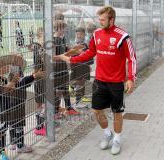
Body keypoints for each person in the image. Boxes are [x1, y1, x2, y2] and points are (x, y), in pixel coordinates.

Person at [54, 6, 137, 155]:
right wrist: (73, 59)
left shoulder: (123, 36)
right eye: (99, 19)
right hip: (99, 81)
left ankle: (117, 138)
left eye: (103, 20)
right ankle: (107, 134)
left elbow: (131, 58)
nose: (100, 22)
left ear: (112, 20)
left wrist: (130, 78)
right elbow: (90, 53)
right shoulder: (97, 34)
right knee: (96, 111)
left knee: (117, 112)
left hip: (116, 83)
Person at [53, 20, 80, 116]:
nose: (65, 30)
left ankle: (68, 108)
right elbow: (55, 57)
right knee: (58, 91)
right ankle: (56, 111)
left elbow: (66, 51)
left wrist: (75, 51)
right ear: (59, 28)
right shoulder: (54, 40)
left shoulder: (61, 39)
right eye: (63, 28)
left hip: (64, 69)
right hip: (57, 70)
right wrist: (65, 56)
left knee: (64, 89)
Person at [64, 27, 93, 106]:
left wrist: (88, 65)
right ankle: (78, 100)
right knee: (79, 81)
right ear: (75, 35)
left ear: (84, 35)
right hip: (77, 65)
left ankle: (80, 97)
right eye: (78, 34)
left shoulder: (86, 43)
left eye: (81, 34)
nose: (79, 36)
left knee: (82, 82)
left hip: (84, 65)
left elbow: (89, 55)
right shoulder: (74, 43)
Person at [32, 27, 46, 136]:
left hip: (44, 78)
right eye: (44, 36)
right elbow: (38, 64)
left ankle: (42, 124)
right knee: (40, 103)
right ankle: (39, 126)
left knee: (43, 103)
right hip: (40, 79)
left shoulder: (43, 47)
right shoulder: (37, 48)